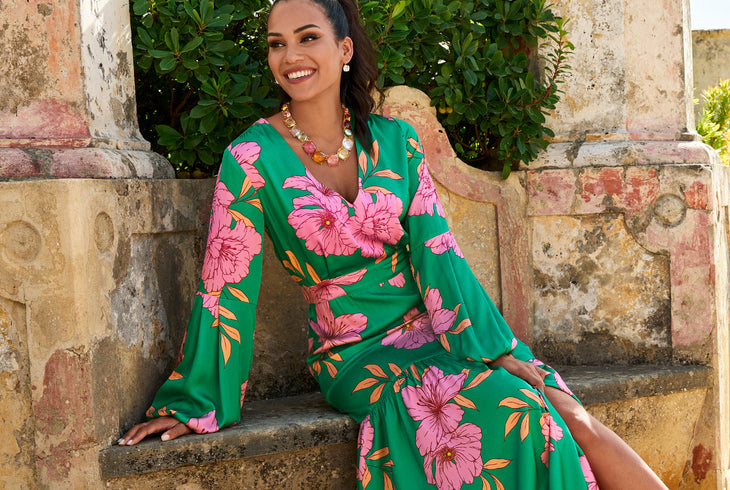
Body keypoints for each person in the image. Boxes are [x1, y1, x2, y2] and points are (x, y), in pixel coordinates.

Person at [119, 0, 668, 488]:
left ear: (345, 49)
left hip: (434, 330)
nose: (291, 56)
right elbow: (226, 282)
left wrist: (496, 349)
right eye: (276, 44)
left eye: (308, 37)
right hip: (353, 353)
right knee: (515, 411)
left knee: (559, 407)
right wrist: (196, 401)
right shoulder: (251, 157)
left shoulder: (396, 142)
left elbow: (440, 259)